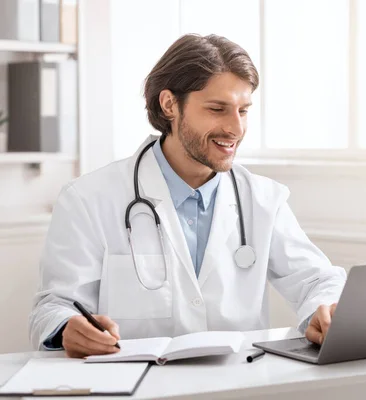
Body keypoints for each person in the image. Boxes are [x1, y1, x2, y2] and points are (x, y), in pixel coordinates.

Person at [29, 34, 347, 358]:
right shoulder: (88, 199)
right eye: (217, 109)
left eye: (243, 110)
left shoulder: (264, 200)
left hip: (239, 387)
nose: (235, 128)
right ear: (169, 105)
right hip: (135, 387)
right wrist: (68, 327)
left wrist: (324, 311)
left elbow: (318, 281)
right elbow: (53, 307)